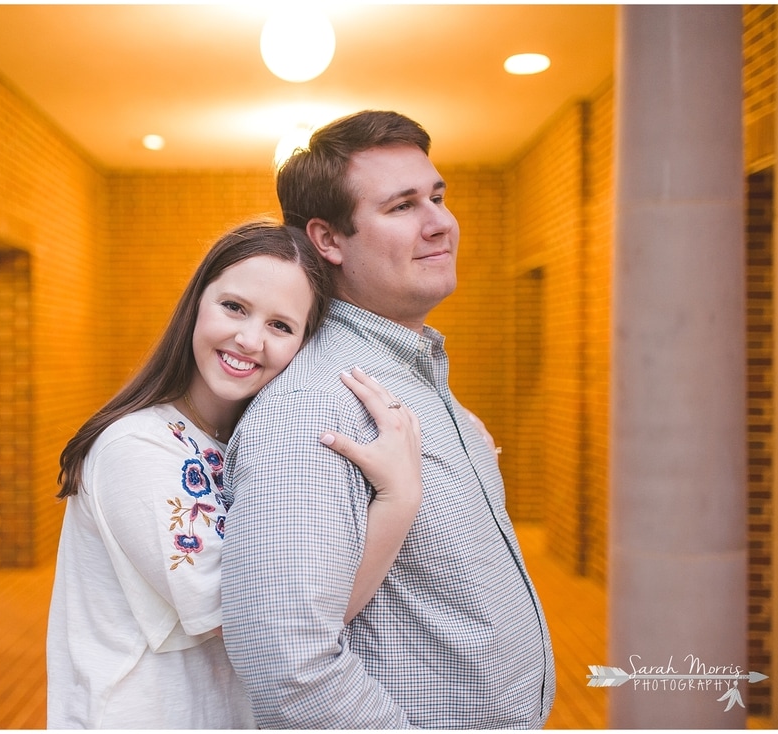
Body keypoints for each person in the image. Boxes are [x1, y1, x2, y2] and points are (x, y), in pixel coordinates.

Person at [221, 111, 556, 728]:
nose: (441, 224)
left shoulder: (414, 378)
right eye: (402, 207)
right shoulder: (318, 406)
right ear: (328, 239)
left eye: (437, 196)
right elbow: (286, 662)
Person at [45, 219, 425, 729]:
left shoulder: (262, 444)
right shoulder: (135, 447)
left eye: (281, 326)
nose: (249, 339)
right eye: (235, 308)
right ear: (198, 302)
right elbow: (269, 626)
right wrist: (399, 500)